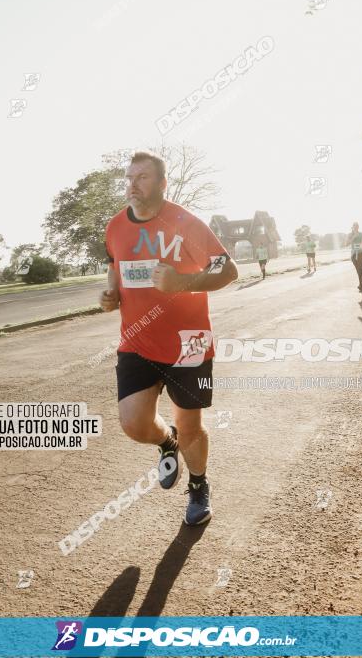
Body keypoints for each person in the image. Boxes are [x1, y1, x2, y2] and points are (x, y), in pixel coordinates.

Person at [100, 150, 238, 527]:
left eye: (142, 177)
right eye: (129, 177)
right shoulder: (114, 227)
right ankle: (166, 442)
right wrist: (110, 294)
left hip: (188, 343)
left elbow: (228, 270)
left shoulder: (185, 222)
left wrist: (184, 283)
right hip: (137, 342)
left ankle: (197, 486)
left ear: (163, 183)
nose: (132, 184)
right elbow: (115, 264)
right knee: (133, 424)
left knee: (191, 425)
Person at [346, 222, 362, 291]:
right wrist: (353, 237)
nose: (356, 227)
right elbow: (346, 244)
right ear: (352, 227)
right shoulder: (349, 235)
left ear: (358, 227)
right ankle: (361, 279)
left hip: (361, 252)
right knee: (358, 268)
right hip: (353, 253)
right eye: (354, 226)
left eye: (357, 226)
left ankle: (360, 284)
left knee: (360, 267)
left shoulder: (361, 234)